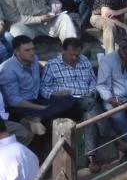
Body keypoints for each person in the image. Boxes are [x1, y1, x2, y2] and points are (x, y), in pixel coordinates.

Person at [39, 37, 101, 170]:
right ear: (63, 51)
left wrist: (91, 92)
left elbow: (93, 82)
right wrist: (56, 93)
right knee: (92, 108)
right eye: (71, 54)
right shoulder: (52, 65)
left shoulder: (84, 61)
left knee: (90, 116)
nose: (74, 58)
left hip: (85, 99)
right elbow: (43, 89)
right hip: (65, 103)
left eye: (77, 54)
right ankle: (111, 136)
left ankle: (91, 157)